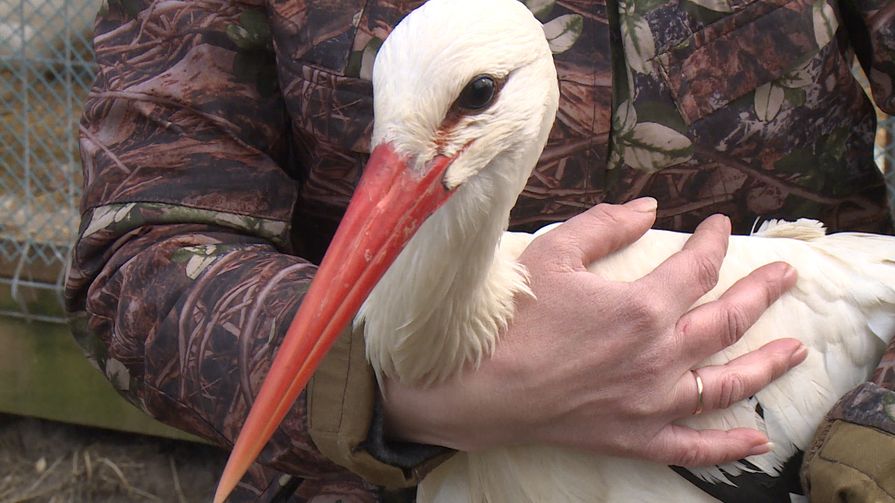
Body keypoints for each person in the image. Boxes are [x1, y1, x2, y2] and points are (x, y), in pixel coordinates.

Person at [65, 0, 895, 501]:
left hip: (810, 434)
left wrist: (873, 441)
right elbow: (137, 255)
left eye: (473, 99)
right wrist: (406, 392)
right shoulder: (418, 153)